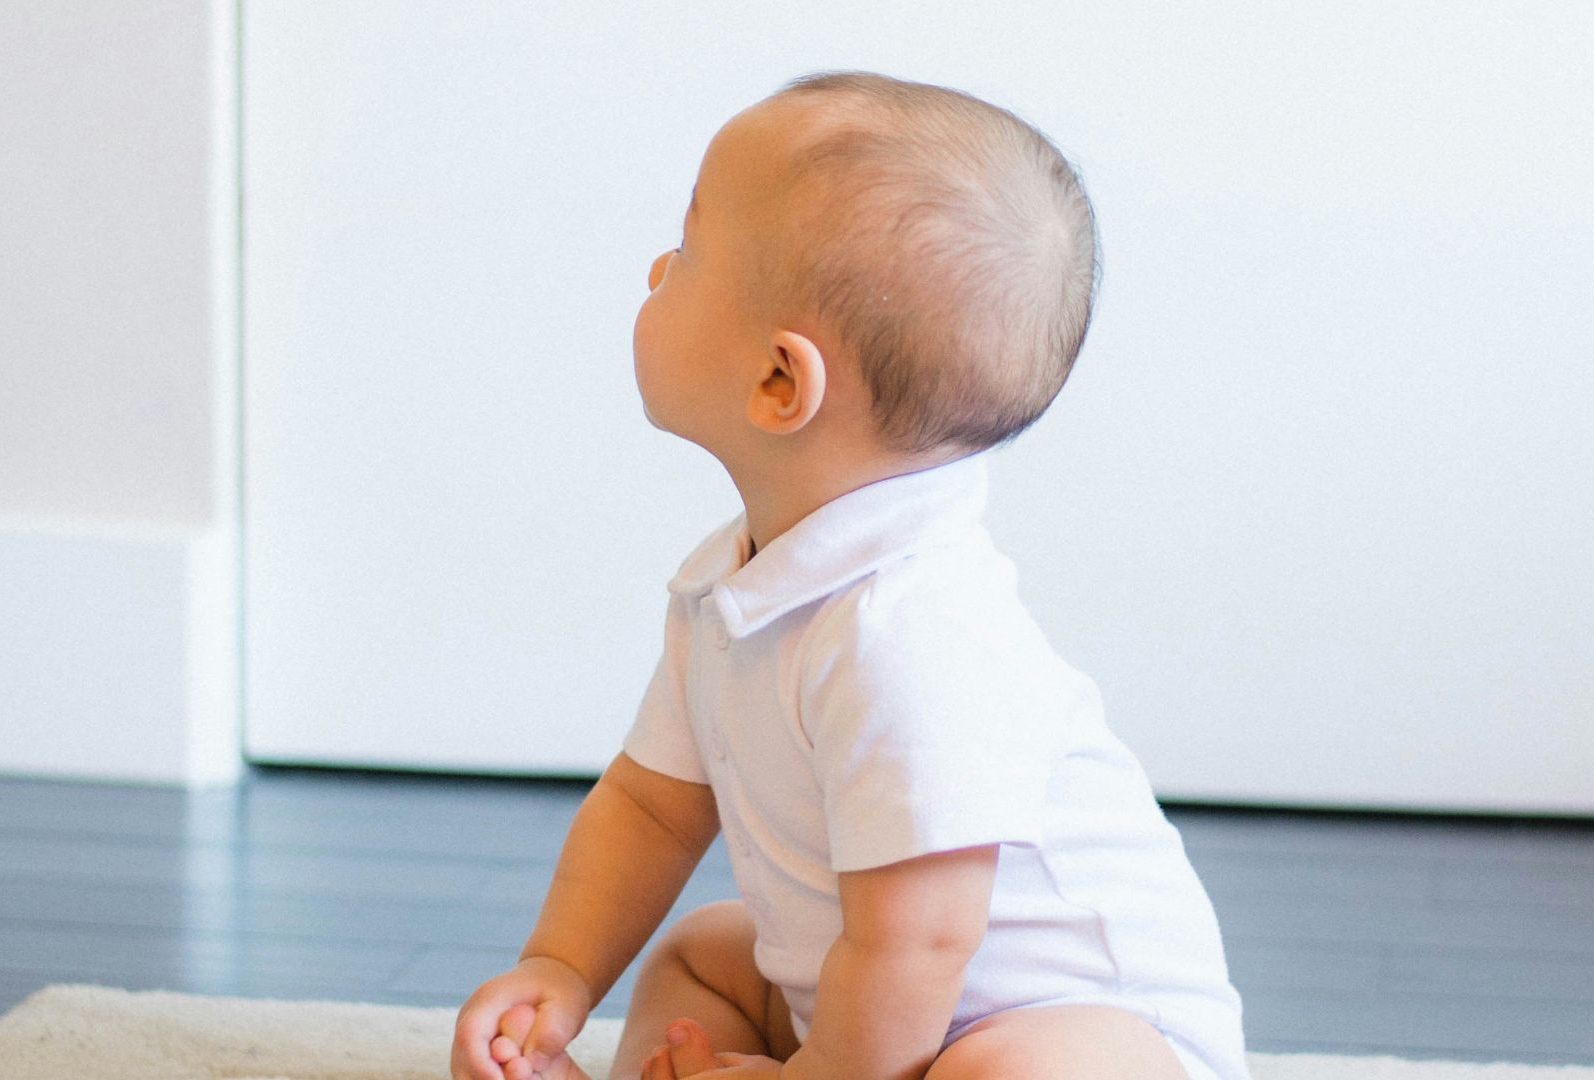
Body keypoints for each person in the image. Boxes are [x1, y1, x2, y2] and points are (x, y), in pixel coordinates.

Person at [450, 69, 1249, 1080]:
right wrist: (559, 969)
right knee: (702, 959)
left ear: (780, 382)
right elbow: (652, 806)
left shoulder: (911, 635)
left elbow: (922, 943)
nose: (658, 267)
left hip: (1091, 1032)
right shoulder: (729, 586)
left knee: (1005, 1072)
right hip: (870, 1004)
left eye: (688, 255)